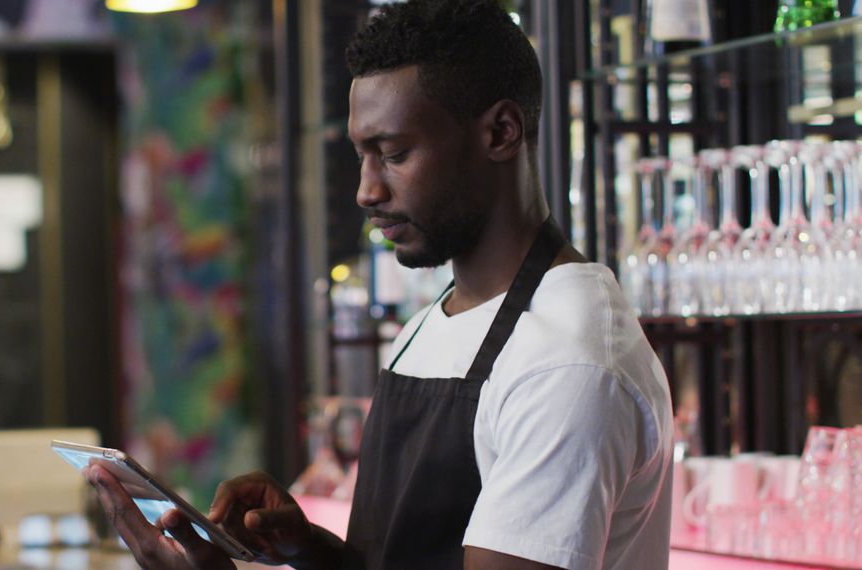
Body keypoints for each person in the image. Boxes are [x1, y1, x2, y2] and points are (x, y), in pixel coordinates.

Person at [84, 0, 674, 568]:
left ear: (500, 132)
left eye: (393, 153)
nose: (366, 190)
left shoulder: (565, 361)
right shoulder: (433, 322)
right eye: (362, 156)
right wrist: (310, 550)